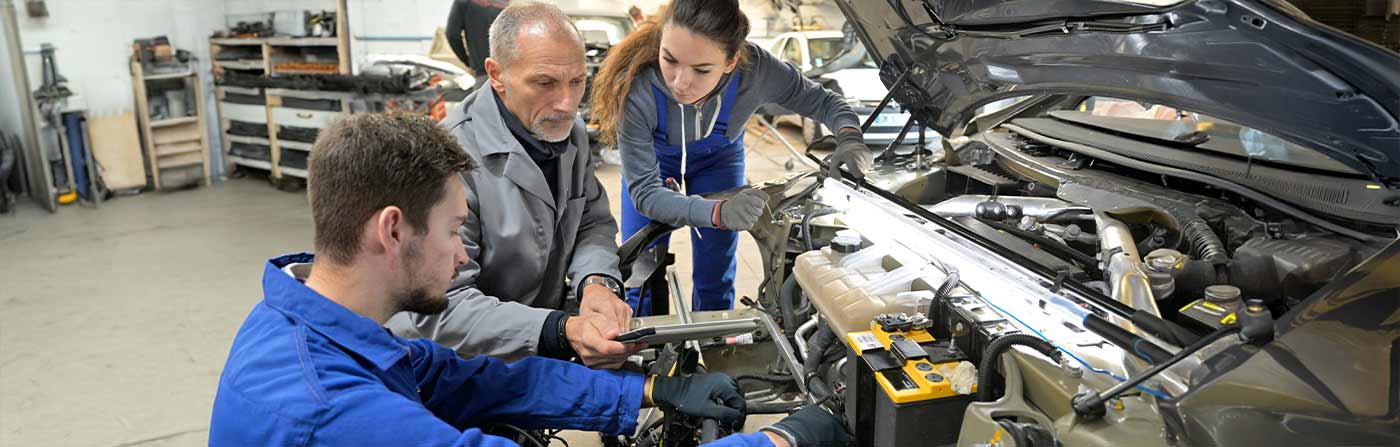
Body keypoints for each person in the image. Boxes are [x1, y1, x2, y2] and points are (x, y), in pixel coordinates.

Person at [209, 112, 852, 447]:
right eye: (455, 231)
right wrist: (780, 440)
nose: (465, 257)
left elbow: (475, 378)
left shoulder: (312, 325)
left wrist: (652, 391)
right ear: (393, 230)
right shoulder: (332, 412)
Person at [387, 2, 638, 368]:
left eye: (578, 81)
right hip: (455, 363)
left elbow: (591, 221)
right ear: (496, 74)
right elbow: (440, 305)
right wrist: (560, 329)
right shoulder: (443, 160)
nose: (568, 104)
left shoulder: (572, 133)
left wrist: (596, 281)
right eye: (545, 83)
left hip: (539, 335)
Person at [590, 0, 872, 314]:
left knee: (716, 265)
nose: (680, 82)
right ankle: (640, 347)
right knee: (640, 267)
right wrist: (716, 212)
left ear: (731, 62)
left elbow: (825, 102)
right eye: (669, 59)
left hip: (719, 159)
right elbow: (646, 195)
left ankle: (714, 345)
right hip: (656, 160)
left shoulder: (758, 72)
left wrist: (849, 136)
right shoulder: (636, 87)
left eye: (701, 70)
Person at [446, 0, 509, 80]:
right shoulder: (506, 4)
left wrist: (467, 61)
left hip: (483, 72)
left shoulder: (463, 2)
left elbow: (452, 35)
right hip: (508, 72)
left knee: (483, 92)